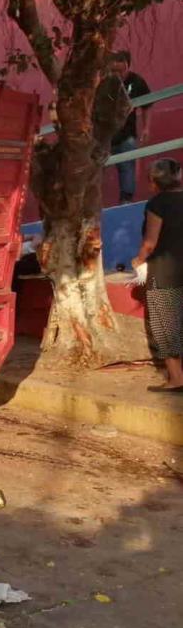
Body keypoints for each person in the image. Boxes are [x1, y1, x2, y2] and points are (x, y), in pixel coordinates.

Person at [131, 158, 183, 392]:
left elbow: (150, 242)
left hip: (165, 271)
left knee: (166, 325)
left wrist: (138, 260)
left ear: (154, 181)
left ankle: (176, 379)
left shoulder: (157, 204)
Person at [108, 51, 153, 203]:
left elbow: (147, 105)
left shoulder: (137, 81)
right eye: (113, 71)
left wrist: (146, 127)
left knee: (127, 166)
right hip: (105, 135)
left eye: (120, 71)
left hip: (126, 134)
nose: (117, 75)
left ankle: (126, 199)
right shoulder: (105, 82)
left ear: (128, 66)